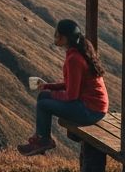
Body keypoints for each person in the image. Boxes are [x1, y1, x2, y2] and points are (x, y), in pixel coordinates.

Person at [17, 18, 108, 156]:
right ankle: (41, 138)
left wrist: (52, 94)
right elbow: (72, 84)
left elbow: (71, 95)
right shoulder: (78, 53)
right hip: (93, 106)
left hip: (91, 110)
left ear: (64, 38)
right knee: (43, 95)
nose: (55, 36)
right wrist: (49, 87)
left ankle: (44, 141)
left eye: (57, 34)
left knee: (43, 104)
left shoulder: (74, 59)